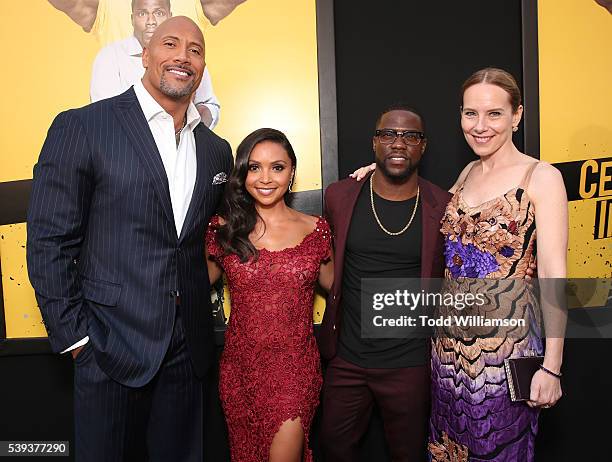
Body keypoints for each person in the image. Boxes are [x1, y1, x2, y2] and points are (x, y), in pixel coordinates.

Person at [27, 17, 233, 461]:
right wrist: (78, 340)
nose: (183, 56)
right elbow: (49, 240)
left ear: (203, 66)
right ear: (145, 55)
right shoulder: (84, 126)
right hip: (107, 346)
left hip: (187, 350)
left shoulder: (216, 150)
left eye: (195, 50)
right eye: (171, 44)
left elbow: (214, 234)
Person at [427, 68, 566, 461]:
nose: (480, 126)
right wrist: (377, 176)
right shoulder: (467, 173)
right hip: (447, 357)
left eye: (494, 114)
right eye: (470, 114)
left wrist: (552, 367)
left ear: (517, 115)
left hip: (505, 361)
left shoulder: (541, 177)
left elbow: (555, 276)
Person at [319, 105, 451, 461]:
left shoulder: (444, 205)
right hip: (347, 359)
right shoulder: (340, 196)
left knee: (408, 454)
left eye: (410, 136)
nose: (399, 143)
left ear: (422, 147)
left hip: (409, 364)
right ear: (375, 142)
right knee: (332, 447)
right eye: (389, 134)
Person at [205, 128, 334, 462]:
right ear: (242, 173)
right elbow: (190, 287)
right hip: (240, 372)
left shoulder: (315, 229)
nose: (265, 178)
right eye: (254, 167)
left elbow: (339, 288)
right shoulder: (224, 229)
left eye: (277, 167)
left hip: (294, 371)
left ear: (292, 172)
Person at [90, 0, 220, 128]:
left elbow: (209, 106)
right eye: (142, 14)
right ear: (132, 19)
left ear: (170, 16)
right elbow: (105, 116)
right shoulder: (109, 56)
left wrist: (192, 128)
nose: (151, 22)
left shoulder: (188, 58)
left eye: (159, 13)